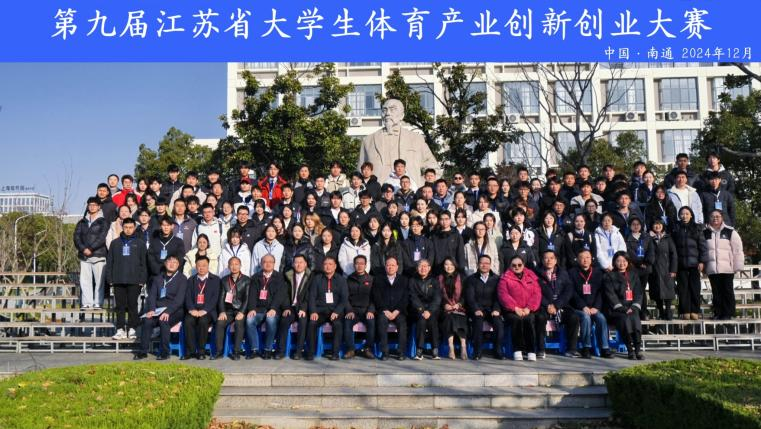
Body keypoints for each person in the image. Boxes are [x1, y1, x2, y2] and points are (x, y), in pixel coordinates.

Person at [358, 99, 440, 187]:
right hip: (379, 191)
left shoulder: (416, 139)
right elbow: (359, 171)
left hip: (410, 192)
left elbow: (434, 168)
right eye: (385, 110)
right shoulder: (368, 140)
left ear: (402, 115)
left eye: (392, 109)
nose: (387, 113)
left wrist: (419, 184)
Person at [134, 256, 187, 360]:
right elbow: (152, 296)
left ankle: (164, 352)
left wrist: (168, 311)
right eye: (169, 261)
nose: (172, 264)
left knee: (164, 321)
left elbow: (179, 300)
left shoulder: (182, 279)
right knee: (147, 320)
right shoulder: (158, 278)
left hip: (175, 310)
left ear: (178, 265)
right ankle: (143, 351)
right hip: (158, 309)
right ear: (165, 263)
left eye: (175, 262)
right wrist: (151, 310)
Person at [105, 217, 147, 341]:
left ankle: (132, 328)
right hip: (118, 279)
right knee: (120, 306)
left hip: (134, 280)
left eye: (131, 227)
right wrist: (110, 278)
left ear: (134, 228)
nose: (128, 230)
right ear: (122, 227)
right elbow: (110, 262)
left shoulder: (140, 243)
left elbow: (144, 263)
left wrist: (142, 279)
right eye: (126, 227)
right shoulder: (115, 243)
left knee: (133, 305)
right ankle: (120, 329)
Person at [536, 251, 581, 358]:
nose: (549, 260)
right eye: (546, 258)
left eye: (551, 258)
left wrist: (557, 305)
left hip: (560, 306)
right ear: (542, 260)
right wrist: (547, 305)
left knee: (573, 317)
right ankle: (541, 349)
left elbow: (568, 290)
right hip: (544, 306)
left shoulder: (563, 273)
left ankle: (571, 349)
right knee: (539, 318)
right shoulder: (536, 273)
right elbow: (535, 292)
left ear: (556, 260)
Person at [569, 249, 613, 359]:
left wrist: (596, 307)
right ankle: (586, 347)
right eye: (582, 257)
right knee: (586, 318)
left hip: (594, 307)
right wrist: (582, 306)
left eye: (587, 257)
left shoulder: (598, 272)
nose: (585, 260)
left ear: (591, 259)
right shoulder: (572, 273)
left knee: (601, 318)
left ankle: (605, 348)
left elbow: (601, 292)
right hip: (578, 308)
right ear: (577, 259)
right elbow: (571, 292)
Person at [498, 255, 541, 362]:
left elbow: (537, 294)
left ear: (523, 265)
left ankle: (531, 350)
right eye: (514, 265)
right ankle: (517, 350)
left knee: (529, 320)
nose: (517, 267)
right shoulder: (505, 278)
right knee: (516, 320)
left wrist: (529, 308)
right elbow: (503, 295)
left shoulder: (531, 276)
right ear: (510, 266)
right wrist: (515, 308)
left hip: (528, 309)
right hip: (511, 310)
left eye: (519, 265)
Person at [704, 210, 745, 320]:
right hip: (712, 268)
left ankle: (728, 313)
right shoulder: (705, 232)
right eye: (712, 216)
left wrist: (738, 266)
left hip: (727, 268)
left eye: (717, 216)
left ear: (722, 218)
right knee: (716, 292)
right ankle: (718, 313)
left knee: (727, 291)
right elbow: (703, 250)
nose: (715, 218)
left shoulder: (730, 231)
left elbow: (737, 250)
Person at [306, 256, 348, 360]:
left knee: (338, 325)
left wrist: (337, 311)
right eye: (325, 264)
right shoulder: (317, 279)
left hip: (335, 311)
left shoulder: (341, 280)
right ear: (322, 266)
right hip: (320, 311)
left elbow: (344, 299)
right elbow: (312, 297)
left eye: (330, 264)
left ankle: (335, 353)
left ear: (335, 266)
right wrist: (313, 311)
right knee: (312, 323)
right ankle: (310, 352)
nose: (328, 266)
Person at [604, 252, 644, 360]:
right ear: (614, 262)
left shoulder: (633, 275)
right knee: (625, 320)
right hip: (616, 310)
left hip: (632, 308)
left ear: (628, 262)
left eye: (624, 261)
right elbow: (610, 295)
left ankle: (637, 350)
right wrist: (622, 308)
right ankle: (630, 350)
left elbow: (639, 293)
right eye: (618, 261)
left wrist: (634, 307)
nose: (622, 263)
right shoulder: (609, 276)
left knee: (635, 320)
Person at [246, 254, 287, 359]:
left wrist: (273, 308)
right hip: (259, 309)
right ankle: (254, 349)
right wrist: (252, 309)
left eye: (270, 262)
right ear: (261, 264)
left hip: (273, 309)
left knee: (271, 320)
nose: (267, 264)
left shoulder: (280, 277)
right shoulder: (255, 277)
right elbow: (252, 295)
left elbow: (280, 295)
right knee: (249, 320)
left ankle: (267, 349)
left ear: (274, 264)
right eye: (265, 262)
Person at [465, 255, 504, 360]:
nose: (484, 265)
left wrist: (496, 309)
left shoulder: (497, 279)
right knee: (477, 323)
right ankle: (477, 352)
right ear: (478, 264)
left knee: (499, 324)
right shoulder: (471, 279)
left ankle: (497, 351)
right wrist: (476, 309)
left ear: (490, 265)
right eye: (482, 263)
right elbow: (470, 297)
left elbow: (499, 296)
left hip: (492, 309)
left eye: (487, 263)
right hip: (477, 310)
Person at [672, 206, 708, 320]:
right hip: (680, 264)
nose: (684, 216)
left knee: (695, 288)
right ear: (679, 215)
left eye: (687, 214)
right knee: (682, 289)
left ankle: (695, 310)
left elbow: (703, 246)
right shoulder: (676, 228)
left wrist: (702, 261)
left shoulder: (697, 228)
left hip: (694, 264)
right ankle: (685, 310)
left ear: (691, 215)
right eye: (682, 214)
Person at [74, 197, 109, 310]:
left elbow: (102, 237)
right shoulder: (82, 222)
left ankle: (98, 303)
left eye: (94, 205)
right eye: (90, 205)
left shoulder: (103, 221)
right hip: (84, 256)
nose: (92, 207)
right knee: (85, 280)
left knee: (99, 281)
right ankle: (87, 303)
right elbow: (76, 237)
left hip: (98, 255)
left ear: (99, 207)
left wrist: (91, 248)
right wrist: (83, 249)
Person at [372, 256, 410, 361]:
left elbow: (405, 298)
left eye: (393, 265)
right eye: (388, 265)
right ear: (385, 267)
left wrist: (397, 311)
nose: (390, 267)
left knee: (402, 324)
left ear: (397, 267)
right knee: (381, 322)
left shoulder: (404, 280)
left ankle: (401, 352)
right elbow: (376, 296)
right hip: (384, 310)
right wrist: (385, 310)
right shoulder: (378, 279)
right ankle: (385, 352)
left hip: (399, 311)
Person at [183, 256, 220, 360]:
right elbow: (187, 297)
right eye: (199, 265)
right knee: (188, 321)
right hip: (194, 310)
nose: (201, 268)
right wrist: (191, 309)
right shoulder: (191, 280)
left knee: (203, 321)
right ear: (196, 267)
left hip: (208, 311)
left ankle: (201, 351)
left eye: (204, 265)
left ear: (208, 266)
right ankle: (190, 351)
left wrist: (205, 310)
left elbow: (215, 298)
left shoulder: (215, 280)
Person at [277, 254, 312, 360]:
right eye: (296, 262)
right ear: (293, 264)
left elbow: (310, 295)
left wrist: (304, 308)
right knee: (284, 320)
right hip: (291, 307)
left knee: (303, 321)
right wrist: (286, 307)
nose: (298, 265)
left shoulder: (311, 277)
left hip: (303, 307)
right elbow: (284, 294)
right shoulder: (288, 276)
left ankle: (298, 351)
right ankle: (281, 351)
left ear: (305, 264)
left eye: (301, 262)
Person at [214, 257, 249, 360]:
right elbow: (221, 298)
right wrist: (222, 311)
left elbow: (247, 299)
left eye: (236, 264)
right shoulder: (224, 280)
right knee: (219, 323)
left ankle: (236, 351)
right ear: (228, 266)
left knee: (239, 324)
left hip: (240, 311)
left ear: (240, 265)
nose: (234, 267)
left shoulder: (247, 280)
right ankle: (219, 351)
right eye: (232, 264)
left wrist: (242, 312)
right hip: (228, 311)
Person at [343, 255, 376, 359]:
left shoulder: (371, 279)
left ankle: (368, 349)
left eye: (362, 263)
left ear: (365, 265)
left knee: (371, 323)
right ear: (354, 265)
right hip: (353, 310)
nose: (359, 266)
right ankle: (350, 349)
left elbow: (375, 298)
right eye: (357, 263)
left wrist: (371, 310)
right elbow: (345, 298)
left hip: (367, 310)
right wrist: (349, 310)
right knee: (347, 322)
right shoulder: (349, 279)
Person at [409, 259, 442, 360]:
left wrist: (430, 311)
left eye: (425, 266)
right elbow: (413, 297)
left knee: (432, 321)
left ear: (429, 268)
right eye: (420, 266)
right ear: (417, 268)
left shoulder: (434, 281)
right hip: (418, 309)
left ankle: (435, 349)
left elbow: (437, 298)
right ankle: (419, 350)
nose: (423, 268)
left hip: (432, 310)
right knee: (421, 321)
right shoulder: (412, 280)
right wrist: (422, 310)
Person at [624, 217, 655, 320]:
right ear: (630, 226)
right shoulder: (626, 238)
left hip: (645, 269)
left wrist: (646, 262)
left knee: (642, 290)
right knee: (634, 290)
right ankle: (635, 312)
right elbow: (628, 252)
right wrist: (639, 263)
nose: (636, 226)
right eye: (633, 224)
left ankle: (643, 312)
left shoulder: (646, 237)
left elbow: (651, 251)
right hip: (633, 268)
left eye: (638, 224)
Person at [647, 219, 678, 320]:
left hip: (667, 268)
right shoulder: (648, 238)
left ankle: (668, 310)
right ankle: (660, 311)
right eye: (655, 224)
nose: (657, 226)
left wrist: (673, 270)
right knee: (656, 290)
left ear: (663, 226)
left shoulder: (668, 238)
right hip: (654, 269)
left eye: (659, 224)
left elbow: (674, 255)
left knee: (668, 290)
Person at [439, 257, 468, 360]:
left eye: (451, 264)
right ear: (443, 266)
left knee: (459, 316)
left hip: (460, 308)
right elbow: (438, 295)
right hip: (445, 309)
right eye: (446, 264)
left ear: (455, 266)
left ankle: (463, 346)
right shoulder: (439, 278)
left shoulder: (462, 277)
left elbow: (465, 295)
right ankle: (451, 348)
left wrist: (459, 304)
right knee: (449, 317)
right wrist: (444, 305)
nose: (449, 267)